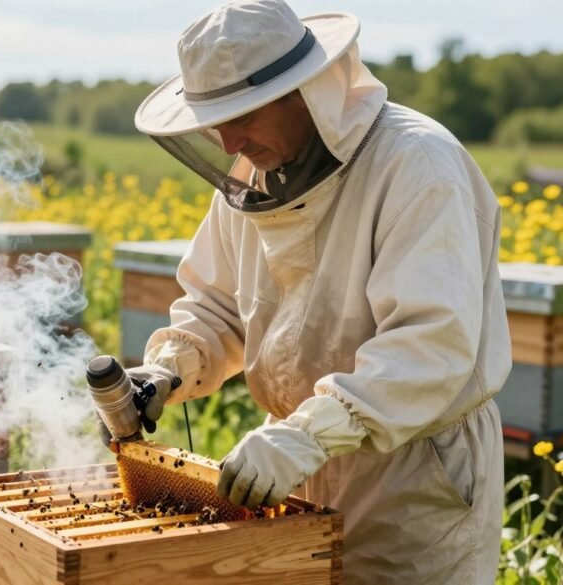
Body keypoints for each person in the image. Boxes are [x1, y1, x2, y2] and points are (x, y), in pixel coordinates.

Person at [122, 0, 511, 582]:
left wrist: (304, 436)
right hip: (302, 461)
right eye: (215, 120)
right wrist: (169, 368)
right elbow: (218, 304)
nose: (229, 142)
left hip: (412, 474)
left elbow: (430, 347)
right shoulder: (253, 178)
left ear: (304, 91)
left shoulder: (417, 165)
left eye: (243, 116)